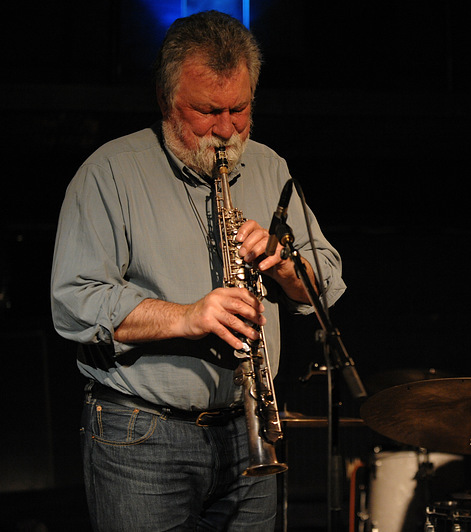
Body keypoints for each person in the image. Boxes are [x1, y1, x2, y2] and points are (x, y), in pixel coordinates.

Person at [50, 10, 345, 531]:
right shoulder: (109, 173)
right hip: (142, 439)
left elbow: (326, 281)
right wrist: (188, 316)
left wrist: (282, 262)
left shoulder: (271, 167)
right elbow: (75, 304)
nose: (228, 130)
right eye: (208, 112)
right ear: (167, 102)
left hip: (248, 433)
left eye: (241, 109)